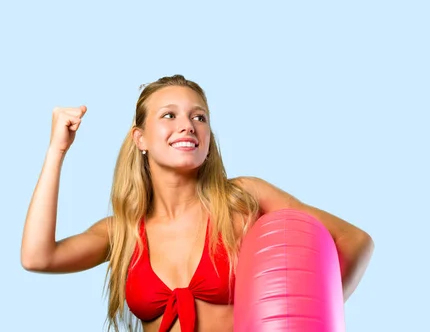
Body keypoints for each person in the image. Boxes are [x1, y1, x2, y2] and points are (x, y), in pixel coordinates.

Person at [21, 75, 375, 332]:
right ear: (139, 138)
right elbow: (38, 257)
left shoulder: (243, 200)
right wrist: (57, 151)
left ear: (208, 140)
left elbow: (354, 241)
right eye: (169, 115)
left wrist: (307, 316)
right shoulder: (123, 231)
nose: (187, 125)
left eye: (199, 117)